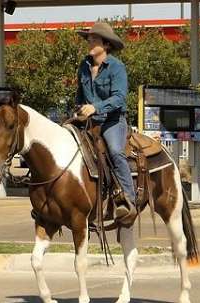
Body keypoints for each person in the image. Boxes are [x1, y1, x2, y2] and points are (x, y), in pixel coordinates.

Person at [75, 22, 137, 227]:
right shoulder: (83, 67)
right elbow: (79, 97)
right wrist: (79, 111)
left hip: (112, 120)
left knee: (115, 151)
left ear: (106, 45)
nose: (90, 43)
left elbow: (120, 98)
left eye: (94, 39)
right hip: (88, 121)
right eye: (89, 39)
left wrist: (96, 108)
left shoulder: (117, 67)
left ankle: (128, 200)